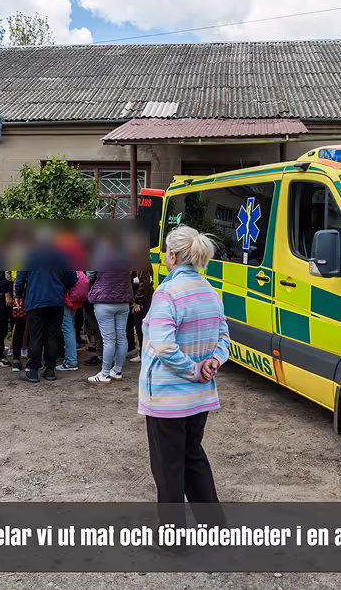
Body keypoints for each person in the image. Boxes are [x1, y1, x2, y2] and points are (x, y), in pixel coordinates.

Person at [139, 225, 230, 528]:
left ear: (174, 256)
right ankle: (213, 525)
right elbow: (223, 337)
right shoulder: (211, 291)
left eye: (167, 251)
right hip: (199, 397)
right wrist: (212, 363)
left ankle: (172, 538)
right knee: (192, 456)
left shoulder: (167, 292)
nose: (165, 257)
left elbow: (164, 345)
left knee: (168, 468)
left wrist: (193, 370)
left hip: (167, 397)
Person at [14, 241, 76, 384]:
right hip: (56, 300)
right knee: (52, 336)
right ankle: (50, 370)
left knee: (35, 336)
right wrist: (60, 286)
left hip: (35, 301)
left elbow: (20, 276)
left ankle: (33, 371)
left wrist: (18, 295)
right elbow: (73, 277)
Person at [86, 259, 133, 385]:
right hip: (123, 300)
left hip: (104, 299)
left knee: (109, 339)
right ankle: (117, 371)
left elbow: (90, 275)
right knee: (122, 337)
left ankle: (105, 373)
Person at [126, 267, 154, 364]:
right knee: (139, 327)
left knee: (141, 327)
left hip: (142, 301)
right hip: (143, 299)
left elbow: (144, 283)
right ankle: (143, 353)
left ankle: (144, 355)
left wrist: (138, 300)